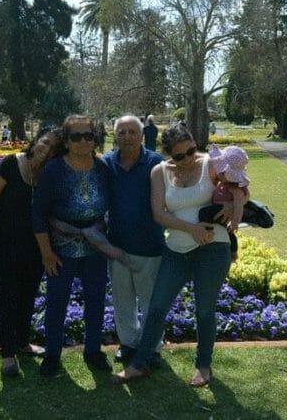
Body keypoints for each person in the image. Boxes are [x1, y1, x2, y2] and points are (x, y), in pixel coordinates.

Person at [113, 124, 232, 388]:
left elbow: (237, 189)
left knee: (204, 310)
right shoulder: (160, 172)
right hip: (176, 249)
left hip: (213, 248)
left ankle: (203, 366)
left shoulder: (212, 163)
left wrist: (233, 203)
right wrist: (191, 228)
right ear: (168, 155)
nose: (188, 159)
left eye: (191, 150)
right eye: (179, 156)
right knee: (156, 307)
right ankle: (139, 365)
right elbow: (159, 214)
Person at [32, 115, 113, 377]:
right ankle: (52, 354)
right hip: (61, 247)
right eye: (75, 136)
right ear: (66, 142)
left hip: (95, 246)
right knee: (56, 302)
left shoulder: (102, 169)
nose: (82, 141)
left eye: (88, 136)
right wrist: (46, 252)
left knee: (96, 301)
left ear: (94, 139)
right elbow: (38, 214)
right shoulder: (54, 170)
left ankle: (93, 350)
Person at [0, 127, 63, 377]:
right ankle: (7, 353)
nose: (45, 149)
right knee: (7, 298)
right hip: (4, 245)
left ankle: (22, 342)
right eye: (44, 142)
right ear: (36, 140)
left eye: (52, 148)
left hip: (36, 247)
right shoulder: (10, 164)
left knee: (28, 295)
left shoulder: (49, 175)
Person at [102, 115, 165, 367]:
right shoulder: (107, 164)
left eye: (132, 132)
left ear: (142, 135)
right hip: (116, 245)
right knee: (123, 300)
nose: (127, 136)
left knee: (150, 302)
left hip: (149, 245)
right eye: (122, 132)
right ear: (114, 136)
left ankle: (152, 348)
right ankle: (127, 344)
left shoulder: (155, 163)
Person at [203, 144, 250, 259]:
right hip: (219, 209)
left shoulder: (234, 187)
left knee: (204, 215)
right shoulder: (224, 183)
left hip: (223, 212)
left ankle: (233, 252)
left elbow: (239, 204)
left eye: (221, 171)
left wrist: (235, 221)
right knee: (227, 231)